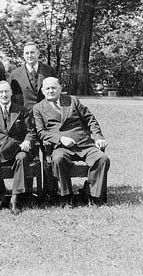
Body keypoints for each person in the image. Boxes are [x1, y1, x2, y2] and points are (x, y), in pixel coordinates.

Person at [33, 77, 110, 206]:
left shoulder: (72, 100)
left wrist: (98, 137)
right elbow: (41, 132)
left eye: (54, 88)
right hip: (61, 147)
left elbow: (90, 119)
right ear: (42, 90)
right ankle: (67, 196)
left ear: (60, 89)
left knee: (102, 158)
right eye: (47, 88)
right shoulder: (38, 108)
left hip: (84, 143)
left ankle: (92, 194)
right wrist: (60, 139)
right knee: (57, 160)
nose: (51, 91)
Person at [0, 80, 36, 214]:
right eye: (1, 92)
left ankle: (15, 198)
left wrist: (27, 141)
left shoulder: (22, 110)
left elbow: (30, 131)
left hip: (17, 148)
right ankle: (1, 194)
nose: (4, 94)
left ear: (11, 93)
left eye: (6, 91)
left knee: (22, 158)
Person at [8, 41, 57, 111]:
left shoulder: (49, 71)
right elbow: (12, 97)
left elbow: (56, 93)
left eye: (32, 52)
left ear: (38, 53)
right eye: (27, 53)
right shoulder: (15, 74)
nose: (29, 56)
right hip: (25, 115)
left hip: (46, 113)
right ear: (24, 55)